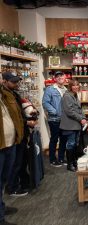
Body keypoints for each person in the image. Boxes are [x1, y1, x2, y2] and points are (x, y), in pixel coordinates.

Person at [2, 72, 37, 197]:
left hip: (20, 133)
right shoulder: (4, 96)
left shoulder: (14, 94)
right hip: (14, 135)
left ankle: (20, 183)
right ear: (4, 81)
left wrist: (30, 113)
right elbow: (13, 118)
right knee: (15, 163)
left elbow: (19, 114)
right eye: (13, 82)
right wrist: (27, 122)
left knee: (21, 161)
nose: (16, 84)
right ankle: (13, 187)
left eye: (17, 81)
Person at [0, 72, 24, 225]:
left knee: (3, 179)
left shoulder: (7, 95)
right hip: (1, 145)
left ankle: (1, 206)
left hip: (11, 142)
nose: (16, 84)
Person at [60, 79, 87, 172]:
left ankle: (74, 161)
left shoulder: (75, 95)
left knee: (75, 143)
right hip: (70, 124)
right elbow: (69, 111)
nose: (76, 87)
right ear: (70, 86)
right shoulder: (67, 96)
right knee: (71, 143)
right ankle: (70, 164)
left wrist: (83, 117)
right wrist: (81, 119)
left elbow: (79, 109)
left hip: (75, 124)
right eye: (74, 85)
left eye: (77, 85)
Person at [42, 71, 67, 167]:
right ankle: (52, 159)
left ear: (64, 77)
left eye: (62, 75)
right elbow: (45, 103)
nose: (60, 77)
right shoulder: (50, 89)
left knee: (63, 139)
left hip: (64, 120)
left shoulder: (65, 89)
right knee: (54, 139)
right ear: (55, 78)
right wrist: (55, 111)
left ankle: (61, 158)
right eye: (58, 76)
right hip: (54, 119)